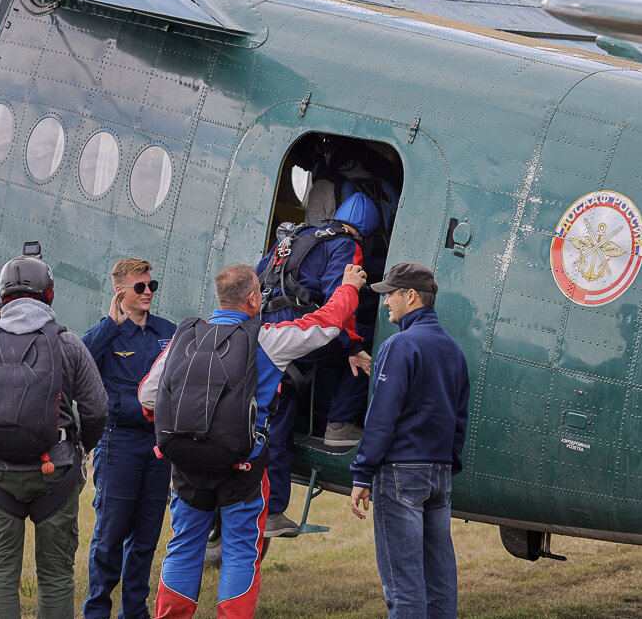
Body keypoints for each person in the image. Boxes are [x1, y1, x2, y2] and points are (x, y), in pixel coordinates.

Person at [139, 262, 366, 619]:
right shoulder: (268, 338)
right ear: (254, 298)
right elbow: (326, 324)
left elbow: (147, 395)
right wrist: (348, 286)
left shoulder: (182, 339)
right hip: (242, 469)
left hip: (186, 466)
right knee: (241, 552)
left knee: (183, 548)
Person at [0, 255, 107, 619]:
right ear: (48, 294)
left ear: (3, 296)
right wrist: (81, 449)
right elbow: (97, 408)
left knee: (2, 578)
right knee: (56, 577)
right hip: (56, 470)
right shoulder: (68, 344)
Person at [349, 262, 470, 618]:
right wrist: (447, 466)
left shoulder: (399, 346)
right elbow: (459, 418)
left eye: (390, 294)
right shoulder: (454, 350)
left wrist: (362, 473)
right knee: (440, 581)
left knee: (403, 587)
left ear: (411, 296)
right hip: (440, 474)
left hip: (401, 475)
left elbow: (382, 416)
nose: (385, 302)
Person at [255, 192, 379, 537]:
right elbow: (342, 296)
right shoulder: (347, 244)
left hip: (265, 332)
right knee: (278, 420)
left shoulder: (296, 235)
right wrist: (353, 345)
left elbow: (257, 276)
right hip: (298, 339)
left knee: (273, 412)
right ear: (364, 234)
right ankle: (338, 424)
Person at [81, 258, 176, 619]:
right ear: (121, 292)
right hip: (117, 443)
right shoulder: (105, 334)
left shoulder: (168, 331)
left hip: (157, 445)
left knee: (147, 535)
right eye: (140, 287)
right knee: (110, 534)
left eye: (152, 285)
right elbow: (78, 359)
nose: (149, 292)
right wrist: (110, 324)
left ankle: (134, 612)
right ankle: (96, 611)